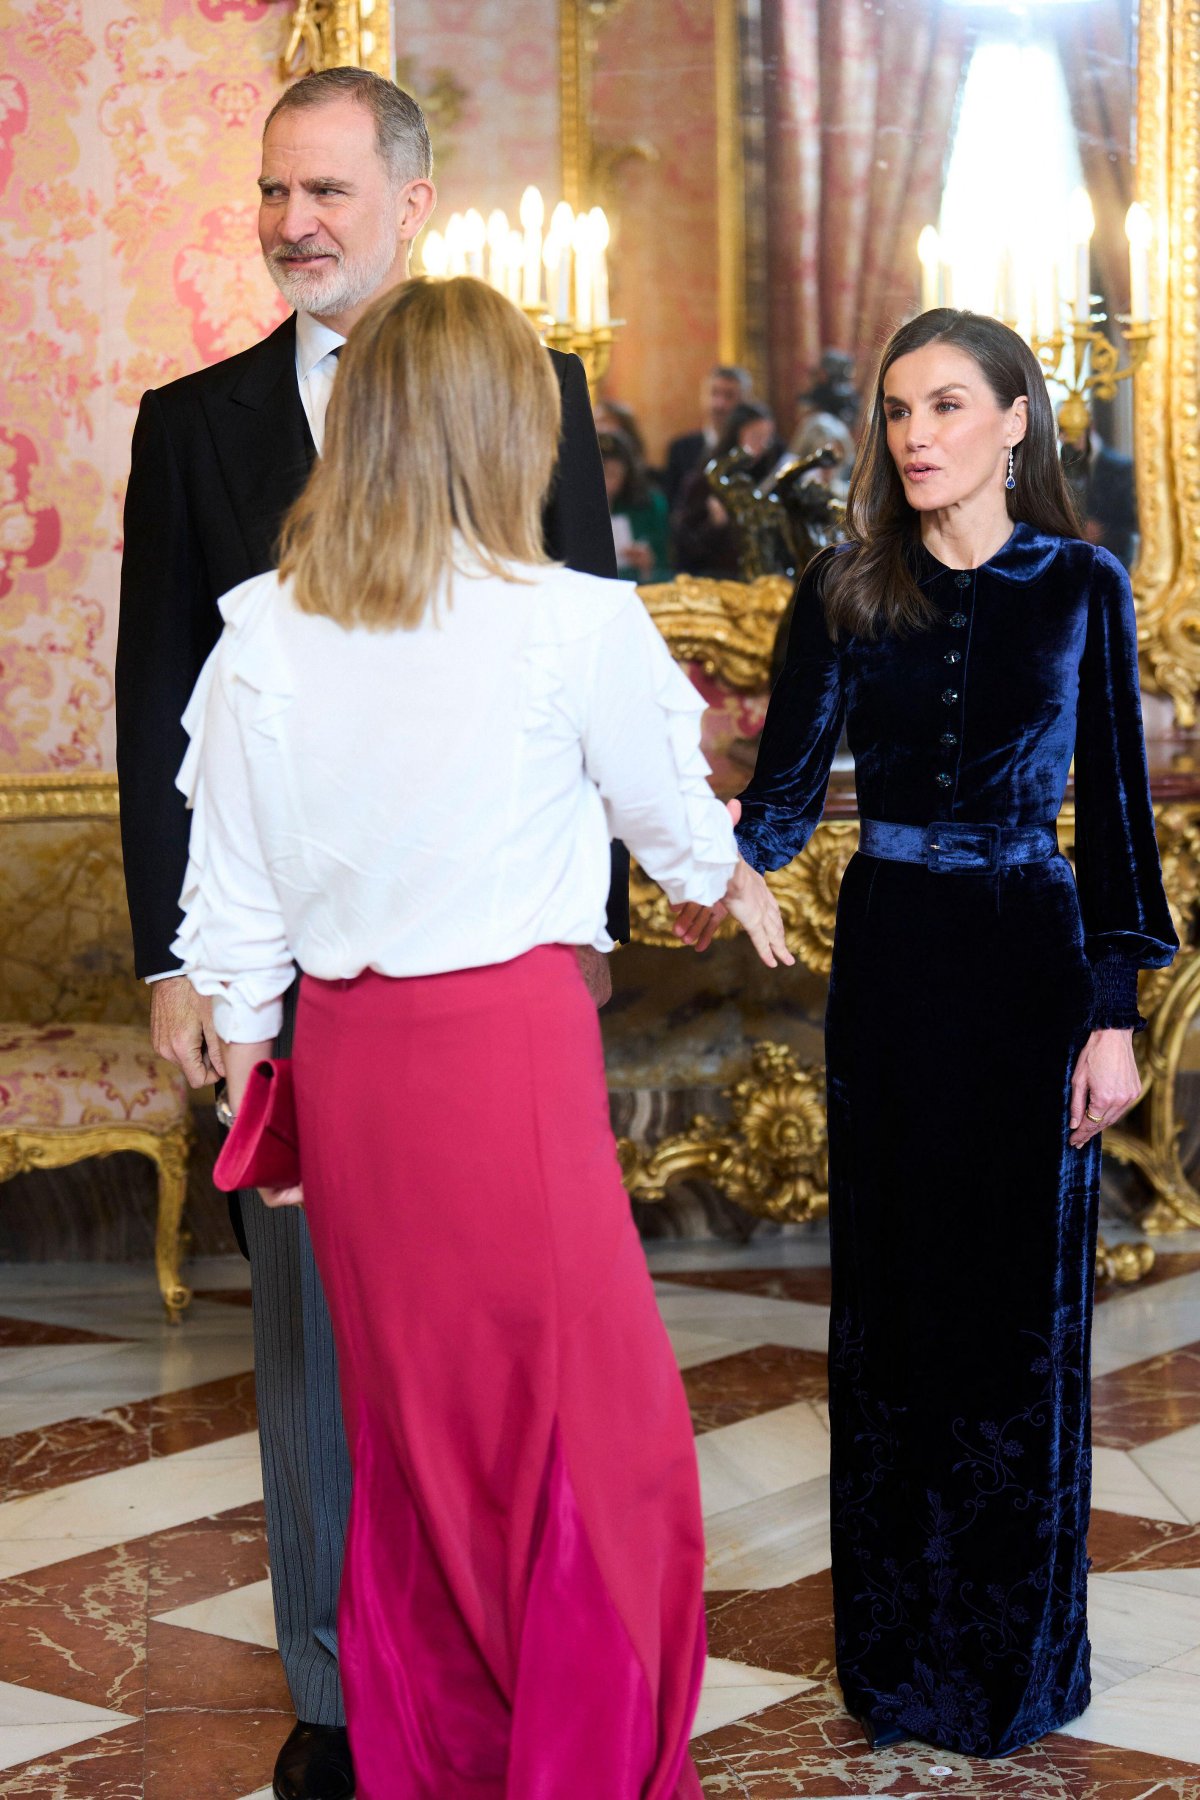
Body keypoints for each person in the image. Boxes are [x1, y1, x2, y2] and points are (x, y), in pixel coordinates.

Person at [174, 274, 792, 1798]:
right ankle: (585, 1762)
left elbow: (235, 902)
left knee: (423, 1446)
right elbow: (667, 818)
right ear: (502, 425)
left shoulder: (262, 633)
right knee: (596, 1442)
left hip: (357, 1074)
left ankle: (448, 1759)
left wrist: (254, 1049)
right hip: (507, 1060)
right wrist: (729, 874)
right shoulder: (571, 621)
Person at [115, 68, 624, 1800]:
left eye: (326, 190)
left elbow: (576, 666)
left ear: (412, 201)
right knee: (310, 1343)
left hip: (490, 978)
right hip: (287, 974)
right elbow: (153, 709)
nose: (293, 224)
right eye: (273, 193)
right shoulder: (193, 425)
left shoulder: (537, 390)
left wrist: (590, 933)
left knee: (501, 1343)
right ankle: (342, 1698)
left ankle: (505, 1661)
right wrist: (174, 958)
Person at [674, 308, 1177, 1758]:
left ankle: (1013, 1667)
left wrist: (1113, 1018)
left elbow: (1122, 835)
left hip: (1028, 966)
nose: (916, 433)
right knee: (892, 1324)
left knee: (1017, 1328)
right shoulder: (840, 590)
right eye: (898, 410)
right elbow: (775, 803)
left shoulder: (1081, 585)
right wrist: (716, 868)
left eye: (948, 404)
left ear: (1017, 420)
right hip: (889, 971)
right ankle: (894, 1663)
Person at [673, 400, 783, 577]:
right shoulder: (704, 481)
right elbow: (684, 547)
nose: (762, 446)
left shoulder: (769, 479)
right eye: (755, 437)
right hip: (714, 579)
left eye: (766, 439)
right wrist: (714, 525)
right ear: (735, 435)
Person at [663, 363, 753, 511]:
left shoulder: (754, 450)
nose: (719, 404)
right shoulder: (681, 449)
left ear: (744, 400)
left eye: (729, 396)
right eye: (714, 393)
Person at [599, 427, 672, 581]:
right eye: (601, 473)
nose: (606, 483)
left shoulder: (649, 505)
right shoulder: (572, 512)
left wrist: (648, 565)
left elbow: (665, 564)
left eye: (613, 474)